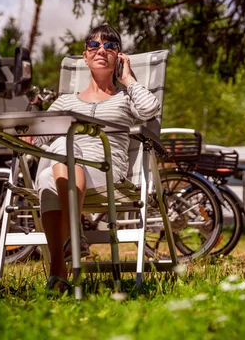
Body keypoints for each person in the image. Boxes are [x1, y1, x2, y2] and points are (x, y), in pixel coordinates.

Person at [33, 24, 161, 293]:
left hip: (106, 173)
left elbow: (150, 109)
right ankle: (62, 266)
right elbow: (37, 140)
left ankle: (68, 247)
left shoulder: (125, 99)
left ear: (118, 57)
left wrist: (128, 79)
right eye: (94, 45)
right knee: (49, 170)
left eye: (110, 46)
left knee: (57, 155)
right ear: (85, 55)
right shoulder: (65, 101)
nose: (101, 49)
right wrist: (29, 136)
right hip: (64, 171)